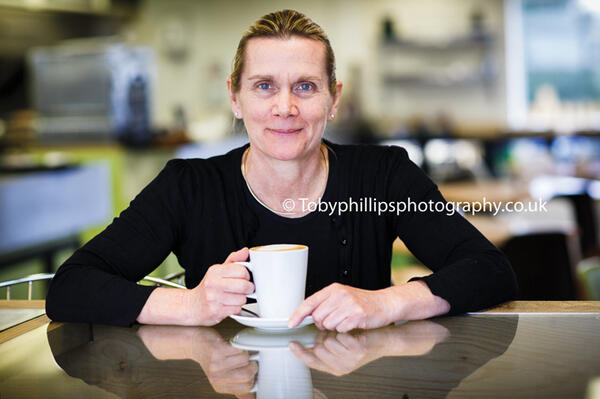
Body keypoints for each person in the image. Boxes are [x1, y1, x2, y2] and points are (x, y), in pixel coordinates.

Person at [46, 9, 517, 332]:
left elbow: (490, 270)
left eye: (306, 87)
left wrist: (387, 302)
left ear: (333, 98)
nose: (285, 107)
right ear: (235, 96)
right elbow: (71, 286)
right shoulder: (187, 187)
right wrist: (190, 304)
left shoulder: (384, 176)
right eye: (265, 85)